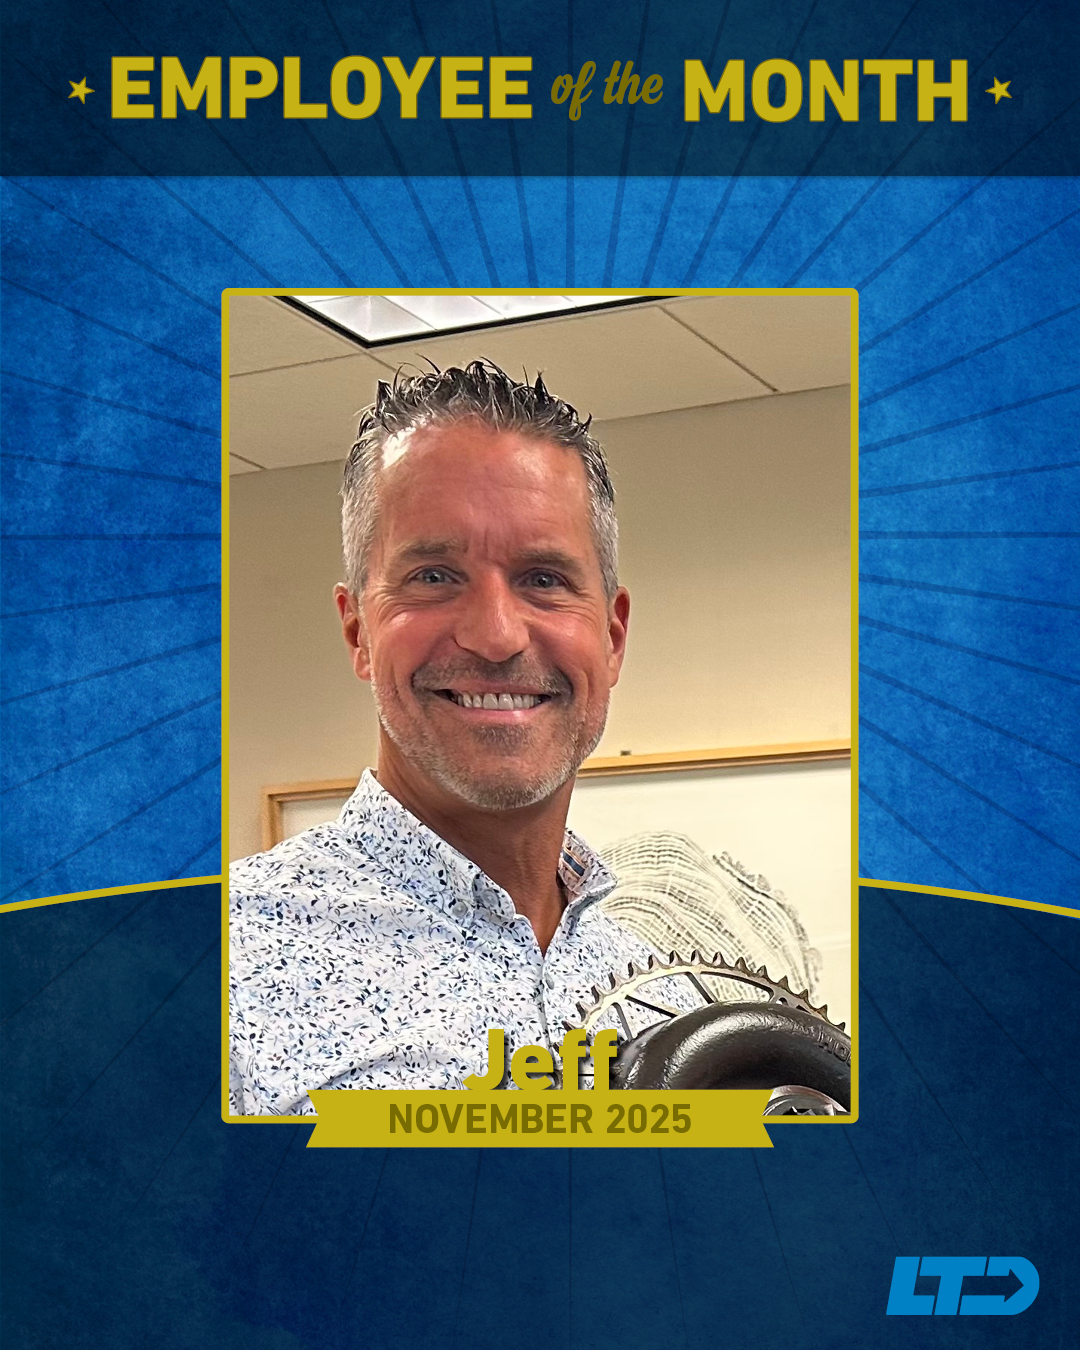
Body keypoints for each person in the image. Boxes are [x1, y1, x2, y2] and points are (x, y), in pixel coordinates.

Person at [229, 359, 670, 1114]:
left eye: (543, 578)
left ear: (615, 635)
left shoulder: (671, 999)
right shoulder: (212, 969)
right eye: (434, 576)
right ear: (356, 629)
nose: (496, 636)